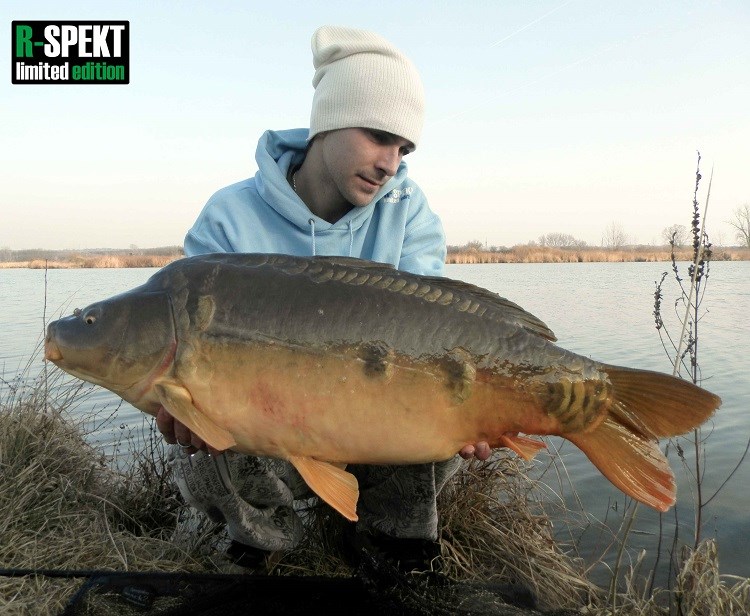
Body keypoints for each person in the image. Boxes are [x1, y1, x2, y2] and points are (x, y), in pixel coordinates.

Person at [156, 25, 491, 572]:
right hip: (271, 428)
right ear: (328, 121)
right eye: (379, 136)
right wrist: (181, 406)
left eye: (404, 148)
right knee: (203, 445)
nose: (390, 163)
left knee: (440, 414)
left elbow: (434, 333)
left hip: (378, 421)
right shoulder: (229, 217)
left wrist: (475, 410)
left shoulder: (409, 210)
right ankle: (261, 541)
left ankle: (394, 540)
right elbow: (186, 339)